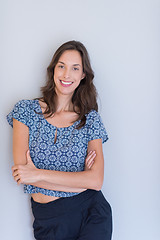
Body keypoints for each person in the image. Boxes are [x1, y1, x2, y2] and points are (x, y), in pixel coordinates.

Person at [6, 40, 112, 240]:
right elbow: (23, 175)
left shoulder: (90, 118)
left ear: (83, 75)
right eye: (61, 66)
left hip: (92, 212)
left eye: (75, 68)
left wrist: (37, 174)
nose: (66, 74)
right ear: (53, 69)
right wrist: (81, 180)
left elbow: (96, 181)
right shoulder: (26, 111)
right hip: (48, 219)